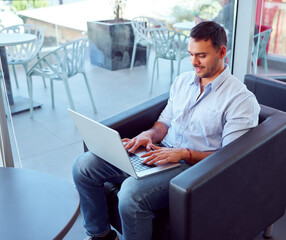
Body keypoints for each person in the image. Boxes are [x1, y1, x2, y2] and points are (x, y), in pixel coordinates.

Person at [72, 21, 260, 240]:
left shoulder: (240, 100)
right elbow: (164, 123)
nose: (194, 62)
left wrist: (185, 154)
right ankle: (100, 235)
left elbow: (231, 160)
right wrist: (148, 135)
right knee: (84, 166)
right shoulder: (183, 82)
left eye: (201, 55)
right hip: (160, 152)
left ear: (222, 52)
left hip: (192, 168)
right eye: (190, 54)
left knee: (131, 194)